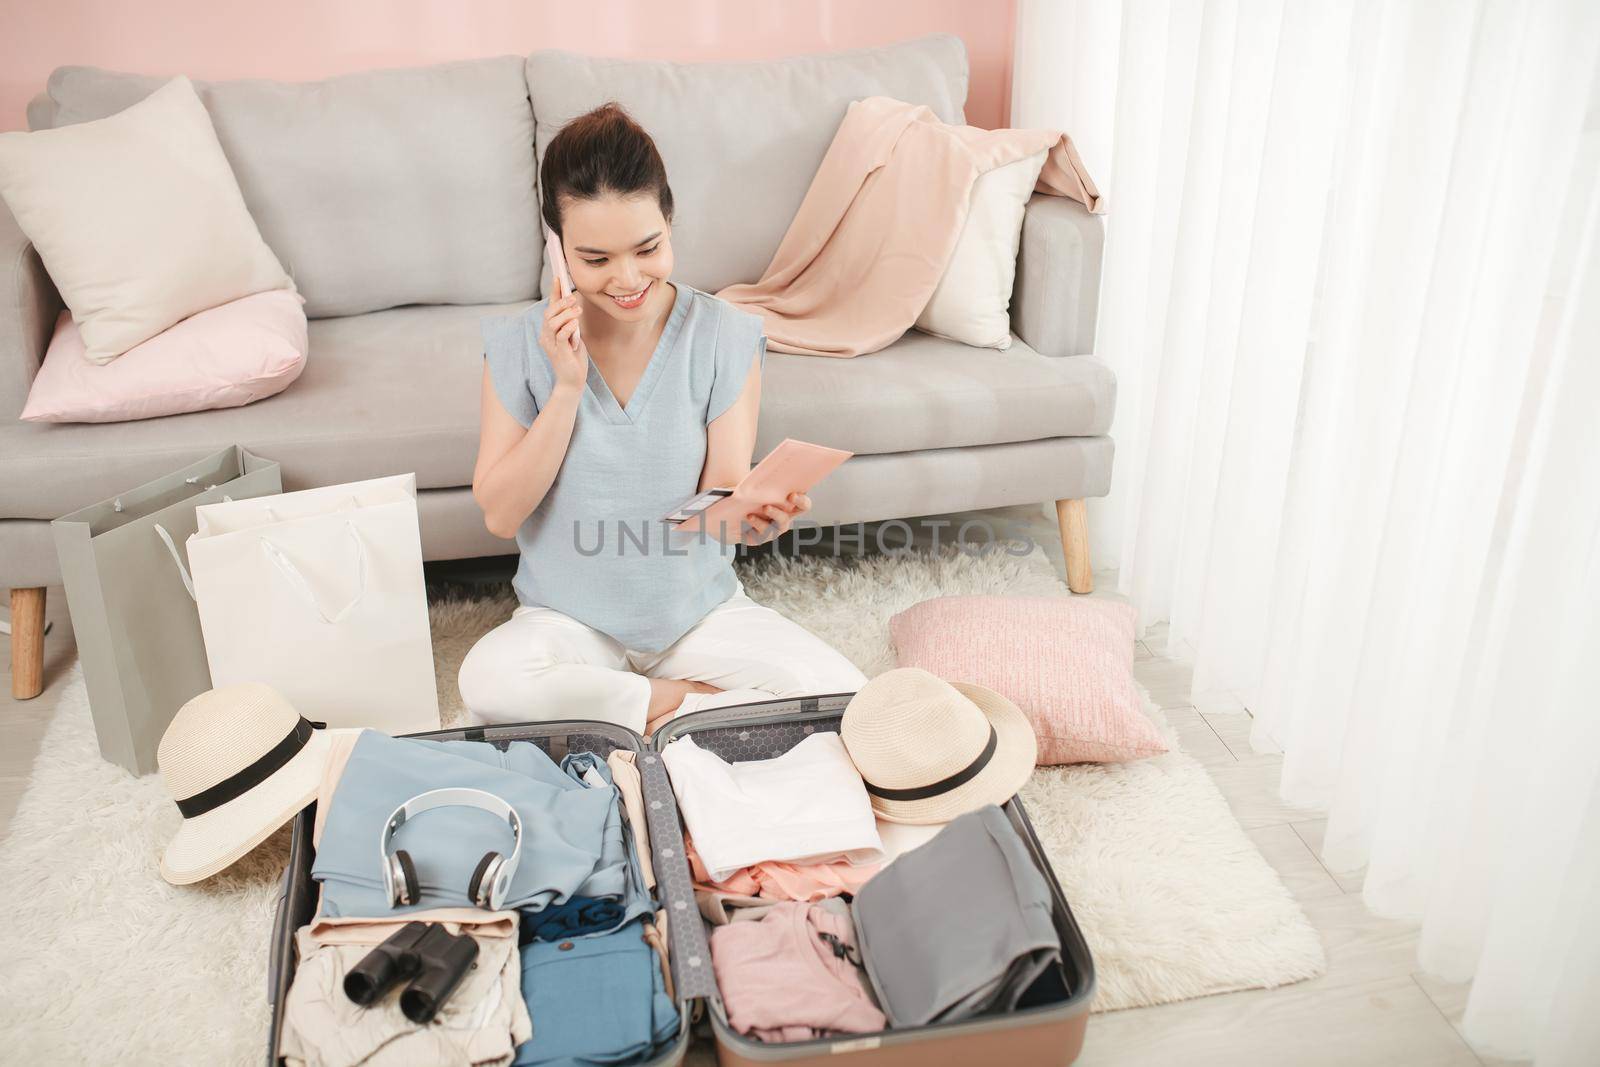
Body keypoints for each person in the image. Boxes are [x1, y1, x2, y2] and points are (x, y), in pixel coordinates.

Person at [459, 103, 866, 735]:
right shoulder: (516, 346)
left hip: (697, 619)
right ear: (556, 249)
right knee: (486, 681)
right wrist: (566, 389)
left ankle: (626, 708)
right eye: (594, 260)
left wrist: (754, 517)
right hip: (568, 624)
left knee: (845, 694)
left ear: (668, 220)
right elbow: (501, 514)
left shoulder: (725, 336)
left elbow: (715, 507)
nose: (627, 279)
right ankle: (680, 706)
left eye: (647, 248)